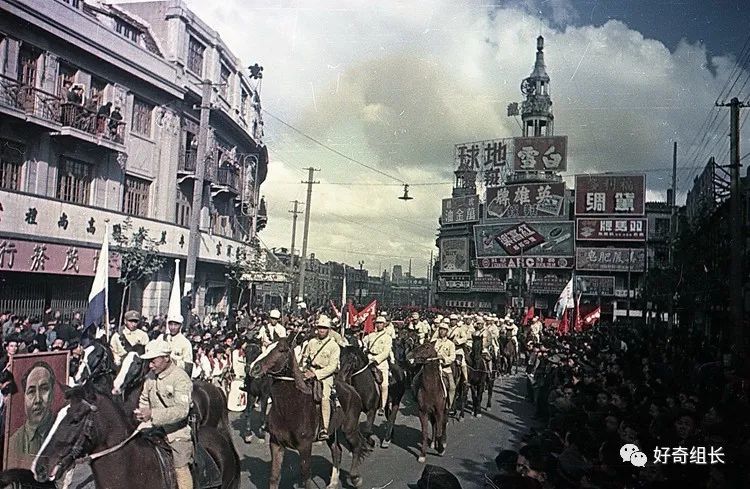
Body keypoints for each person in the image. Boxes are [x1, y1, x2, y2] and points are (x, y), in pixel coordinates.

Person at [136, 340, 193, 489]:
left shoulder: (180, 378)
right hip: (152, 428)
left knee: (181, 468)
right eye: (149, 362)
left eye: (153, 361)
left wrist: (152, 414)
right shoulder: (150, 376)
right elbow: (144, 398)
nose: (150, 365)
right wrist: (142, 412)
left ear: (166, 358)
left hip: (176, 432)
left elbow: (182, 410)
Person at [300, 314, 340, 441]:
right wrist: (305, 369)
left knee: (324, 397)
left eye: (324, 328)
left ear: (328, 330)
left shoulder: (334, 346)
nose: (321, 330)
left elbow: (332, 366)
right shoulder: (311, 342)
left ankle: (324, 428)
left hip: (325, 376)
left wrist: (316, 374)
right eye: (320, 328)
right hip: (310, 371)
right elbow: (305, 358)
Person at [7, 362, 56, 465]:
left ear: (52, 394)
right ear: (24, 397)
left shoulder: (65, 433)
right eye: (31, 391)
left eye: (44, 389)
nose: (38, 399)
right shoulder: (12, 444)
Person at [363, 316, 392, 415]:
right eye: (377, 323)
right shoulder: (371, 335)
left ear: (384, 325)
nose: (379, 325)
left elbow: (386, 352)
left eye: (381, 323)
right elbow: (365, 345)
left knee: (384, 385)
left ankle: (382, 406)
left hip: (381, 363)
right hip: (369, 360)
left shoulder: (387, 337)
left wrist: (375, 359)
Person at [434, 321, 456, 413]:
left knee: (452, 386)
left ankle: (449, 405)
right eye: (440, 330)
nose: (442, 332)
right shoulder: (434, 342)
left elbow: (452, 357)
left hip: (445, 368)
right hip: (434, 367)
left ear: (447, 332)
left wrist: (444, 358)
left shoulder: (450, 344)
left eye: (444, 330)